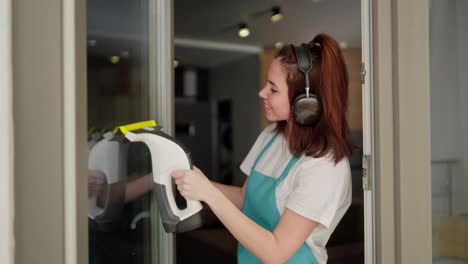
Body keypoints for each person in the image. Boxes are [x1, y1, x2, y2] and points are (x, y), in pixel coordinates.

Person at [172, 33, 354, 264]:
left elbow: (276, 252)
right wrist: (193, 179)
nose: (262, 93)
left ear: (306, 101)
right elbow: (244, 197)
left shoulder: (324, 167)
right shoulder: (271, 136)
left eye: (273, 89)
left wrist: (208, 194)